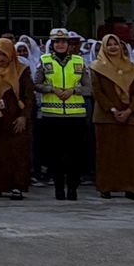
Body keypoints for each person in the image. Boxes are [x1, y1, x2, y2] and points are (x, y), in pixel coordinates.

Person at [36, 29, 90, 200]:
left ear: (69, 44)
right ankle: (59, 189)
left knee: (75, 154)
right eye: (57, 42)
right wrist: (51, 88)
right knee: (55, 155)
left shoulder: (79, 61)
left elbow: (89, 87)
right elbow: (36, 84)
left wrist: (74, 90)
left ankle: (73, 189)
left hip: (75, 115)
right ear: (52, 44)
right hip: (52, 114)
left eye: (64, 42)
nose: (60, 45)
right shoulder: (44, 61)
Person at [89, 34, 134, 199]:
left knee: (129, 153)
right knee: (107, 153)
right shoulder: (97, 67)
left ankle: (131, 187)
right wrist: (112, 109)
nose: (112, 47)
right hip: (106, 116)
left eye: (115, 44)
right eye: (109, 44)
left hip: (128, 115)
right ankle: (106, 187)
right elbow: (97, 91)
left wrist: (129, 110)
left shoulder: (131, 67)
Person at [0, 38, 34, 200]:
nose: (0, 58)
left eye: (4, 54)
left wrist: (24, 117)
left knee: (17, 153)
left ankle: (17, 187)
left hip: (15, 118)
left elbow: (29, 96)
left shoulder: (21, 70)